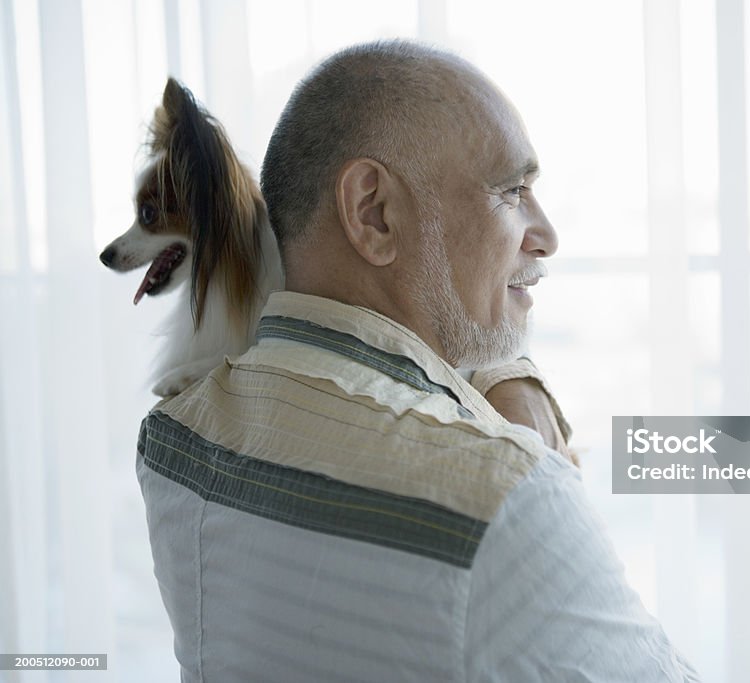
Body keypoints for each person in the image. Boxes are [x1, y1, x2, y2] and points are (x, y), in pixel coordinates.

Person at [137, 40, 700, 682]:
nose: (545, 235)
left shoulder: (173, 440)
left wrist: (496, 370)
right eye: (513, 192)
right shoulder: (506, 500)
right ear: (373, 213)